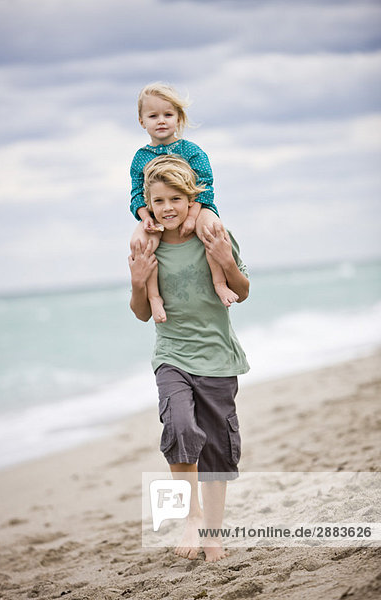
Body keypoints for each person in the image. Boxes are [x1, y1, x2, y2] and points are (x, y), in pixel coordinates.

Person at [128, 155, 250, 562]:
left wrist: (227, 260)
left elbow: (243, 290)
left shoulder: (214, 233)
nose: (167, 207)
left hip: (217, 357)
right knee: (179, 427)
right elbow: (143, 312)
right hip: (171, 355)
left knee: (216, 448)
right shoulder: (149, 246)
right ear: (148, 203)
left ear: (191, 197)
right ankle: (192, 517)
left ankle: (213, 534)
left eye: (175, 198)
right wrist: (136, 281)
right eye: (158, 200)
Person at [130, 82, 239, 324]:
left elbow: (206, 185)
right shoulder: (140, 158)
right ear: (141, 121)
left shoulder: (191, 150)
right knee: (139, 243)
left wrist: (192, 216)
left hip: (197, 206)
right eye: (153, 115)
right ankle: (154, 296)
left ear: (179, 118)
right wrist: (145, 217)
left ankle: (219, 283)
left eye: (168, 115)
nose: (161, 121)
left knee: (211, 231)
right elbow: (137, 192)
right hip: (156, 213)